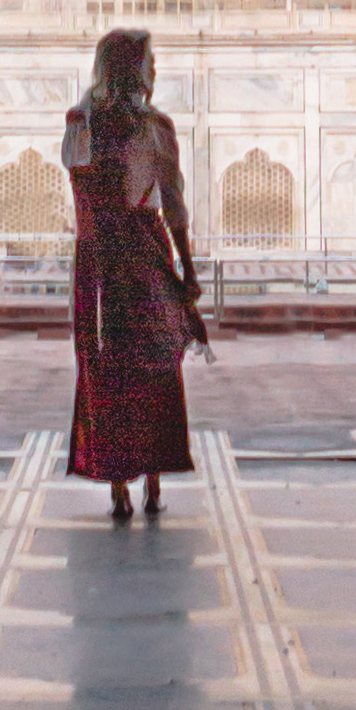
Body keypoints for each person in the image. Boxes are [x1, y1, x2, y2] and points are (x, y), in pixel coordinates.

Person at [60, 25, 206, 519]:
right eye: (149, 60)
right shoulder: (145, 127)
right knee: (145, 366)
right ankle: (145, 479)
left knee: (121, 368)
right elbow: (172, 206)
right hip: (135, 258)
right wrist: (187, 274)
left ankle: (128, 481)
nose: (155, 69)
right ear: (132, 67)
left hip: (104, 259)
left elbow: (161, 203)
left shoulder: (84, 123)